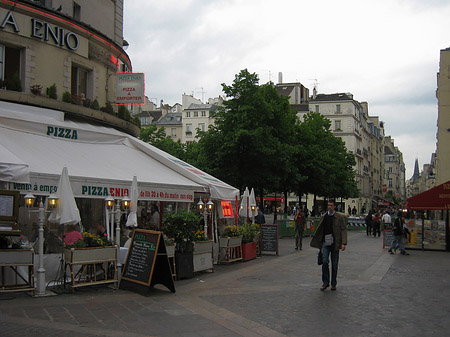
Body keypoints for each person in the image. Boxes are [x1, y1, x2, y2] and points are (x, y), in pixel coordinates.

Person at [310, 200, 348, 291]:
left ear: (335, 206)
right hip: (325, 242)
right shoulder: (324, 216)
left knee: (334, 265)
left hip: (335, 243)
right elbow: (320, 229)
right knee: (325, 261)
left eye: (331, 205)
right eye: (328, 205)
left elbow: (343, 229)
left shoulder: (339, 217)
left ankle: (333, 283)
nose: (329, 207)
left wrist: (343, 243)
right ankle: (325, 282)